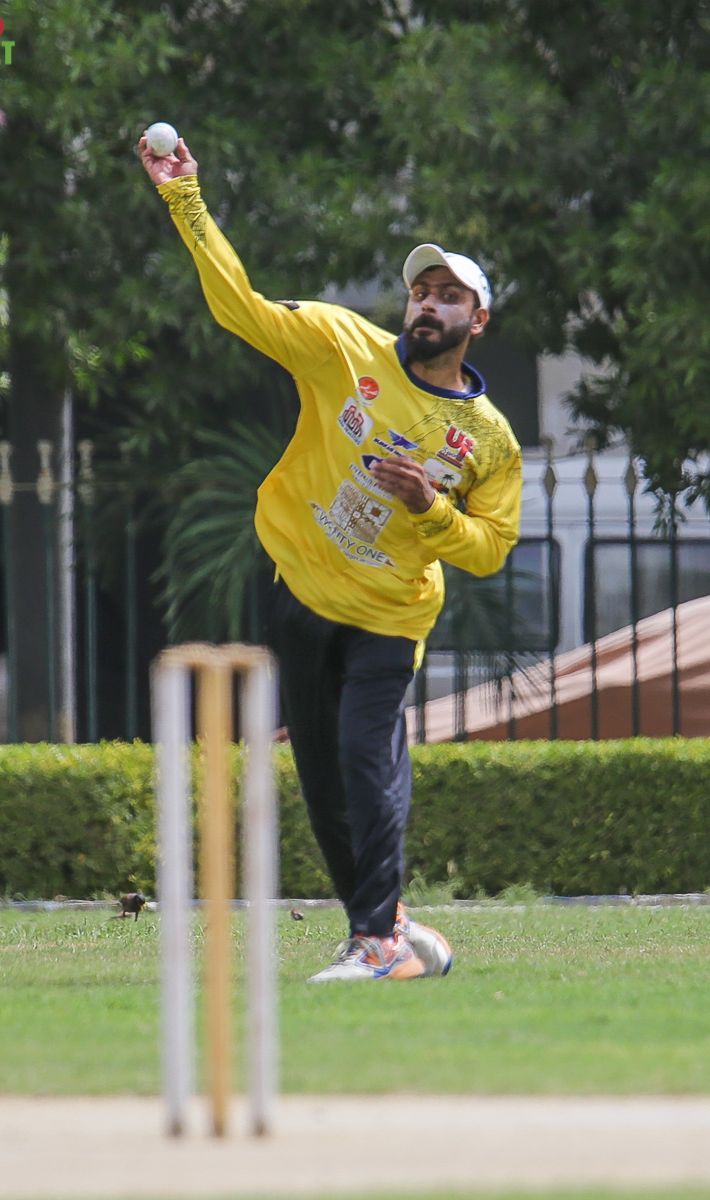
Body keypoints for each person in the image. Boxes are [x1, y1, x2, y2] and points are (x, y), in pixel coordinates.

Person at [139, 132, 522, 982]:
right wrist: (185, 197)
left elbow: (491, 550)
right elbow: (240, 307)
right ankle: (386, 927)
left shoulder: (489, 441)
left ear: (478, 320)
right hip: (300, 593)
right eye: (421, 291)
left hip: (389, 616)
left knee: (362, 757)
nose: (429, 305)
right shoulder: (343, 346)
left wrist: (429, 511)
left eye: (449, 296)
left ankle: (377, 943)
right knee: (321, 781)